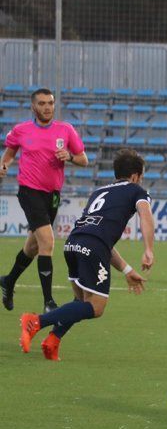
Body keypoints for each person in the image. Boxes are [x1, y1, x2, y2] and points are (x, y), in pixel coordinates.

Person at [18, 149, 154, 361]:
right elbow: (146, 216)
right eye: (141, 177)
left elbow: (101, 240)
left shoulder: (99, 192)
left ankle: (53, 340)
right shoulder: (137, 191)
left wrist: (127, 270)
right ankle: (36, 321)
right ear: (136, 176)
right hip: (91, 248)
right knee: (95, 307)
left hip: (73, 244)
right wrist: (148, 249)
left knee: (80, 300)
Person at [0, 88, 88, 313]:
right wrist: (4, 165)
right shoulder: (21, 130)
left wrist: (69, 157)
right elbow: (9, 154)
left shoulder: (65, 130)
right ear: (33, 106)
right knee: (48, 242)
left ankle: (9, 281)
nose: (47, 107)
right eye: (42, 103)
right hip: (29, 191)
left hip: (53, 195)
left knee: (33, 245)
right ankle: (48, 302)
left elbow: (83, 159)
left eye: (50, 103)